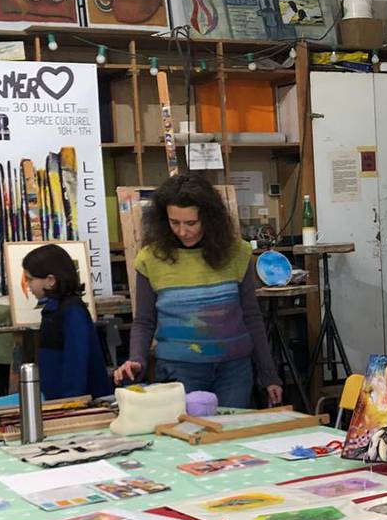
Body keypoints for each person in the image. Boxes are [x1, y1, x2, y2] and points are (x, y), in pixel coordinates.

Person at [114, 173, 283, 408]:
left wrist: (268, 374)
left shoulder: (237, 253)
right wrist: (137, 360)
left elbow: (252, 316)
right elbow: (144, 321)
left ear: (209, 219)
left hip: (234, 370)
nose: (182, 231)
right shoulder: (150, 259)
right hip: (179, 370)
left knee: (233, 437)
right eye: (174, 223)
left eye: (191, 223)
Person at [21, 243, 112, 401]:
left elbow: (77, 362)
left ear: (50, 280)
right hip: (58, 402)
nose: (27, 285)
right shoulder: (54, 309)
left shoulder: (72, 311)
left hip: (77, 405)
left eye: (30, 279)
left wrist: (71, 403)